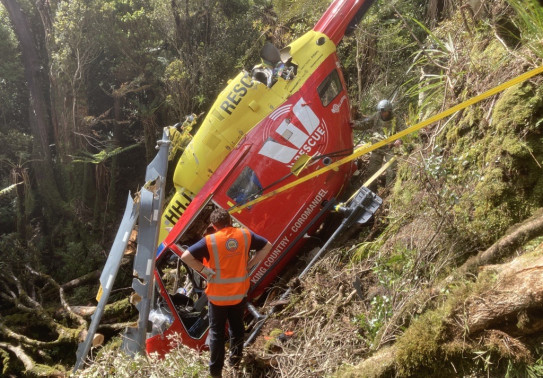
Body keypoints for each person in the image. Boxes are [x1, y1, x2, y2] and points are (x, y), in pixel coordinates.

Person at [181, 208, 272, 378]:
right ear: (230, 221)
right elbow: (267, 246)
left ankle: (216, 372)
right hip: (239, 293)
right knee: (237, 328)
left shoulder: (210, 240)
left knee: (216, 333)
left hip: (217, 297)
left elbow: (185, 256)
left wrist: (204, 271)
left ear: (214, 226)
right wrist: (250, 264)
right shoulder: (244, 235)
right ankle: (235, 362)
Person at [351, 99, 405, 191]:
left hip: (390, 148)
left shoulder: (396, 119)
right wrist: (354, 124)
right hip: (377, 148)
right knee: (372, 171)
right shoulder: (376, 116)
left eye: (384, 112)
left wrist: (399, 140)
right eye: (381, 111)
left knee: (391, 171)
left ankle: (389, 191)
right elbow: (366, 124)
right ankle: (371, 191)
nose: (382, 113)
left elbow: (404, 131)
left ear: (389, 111)